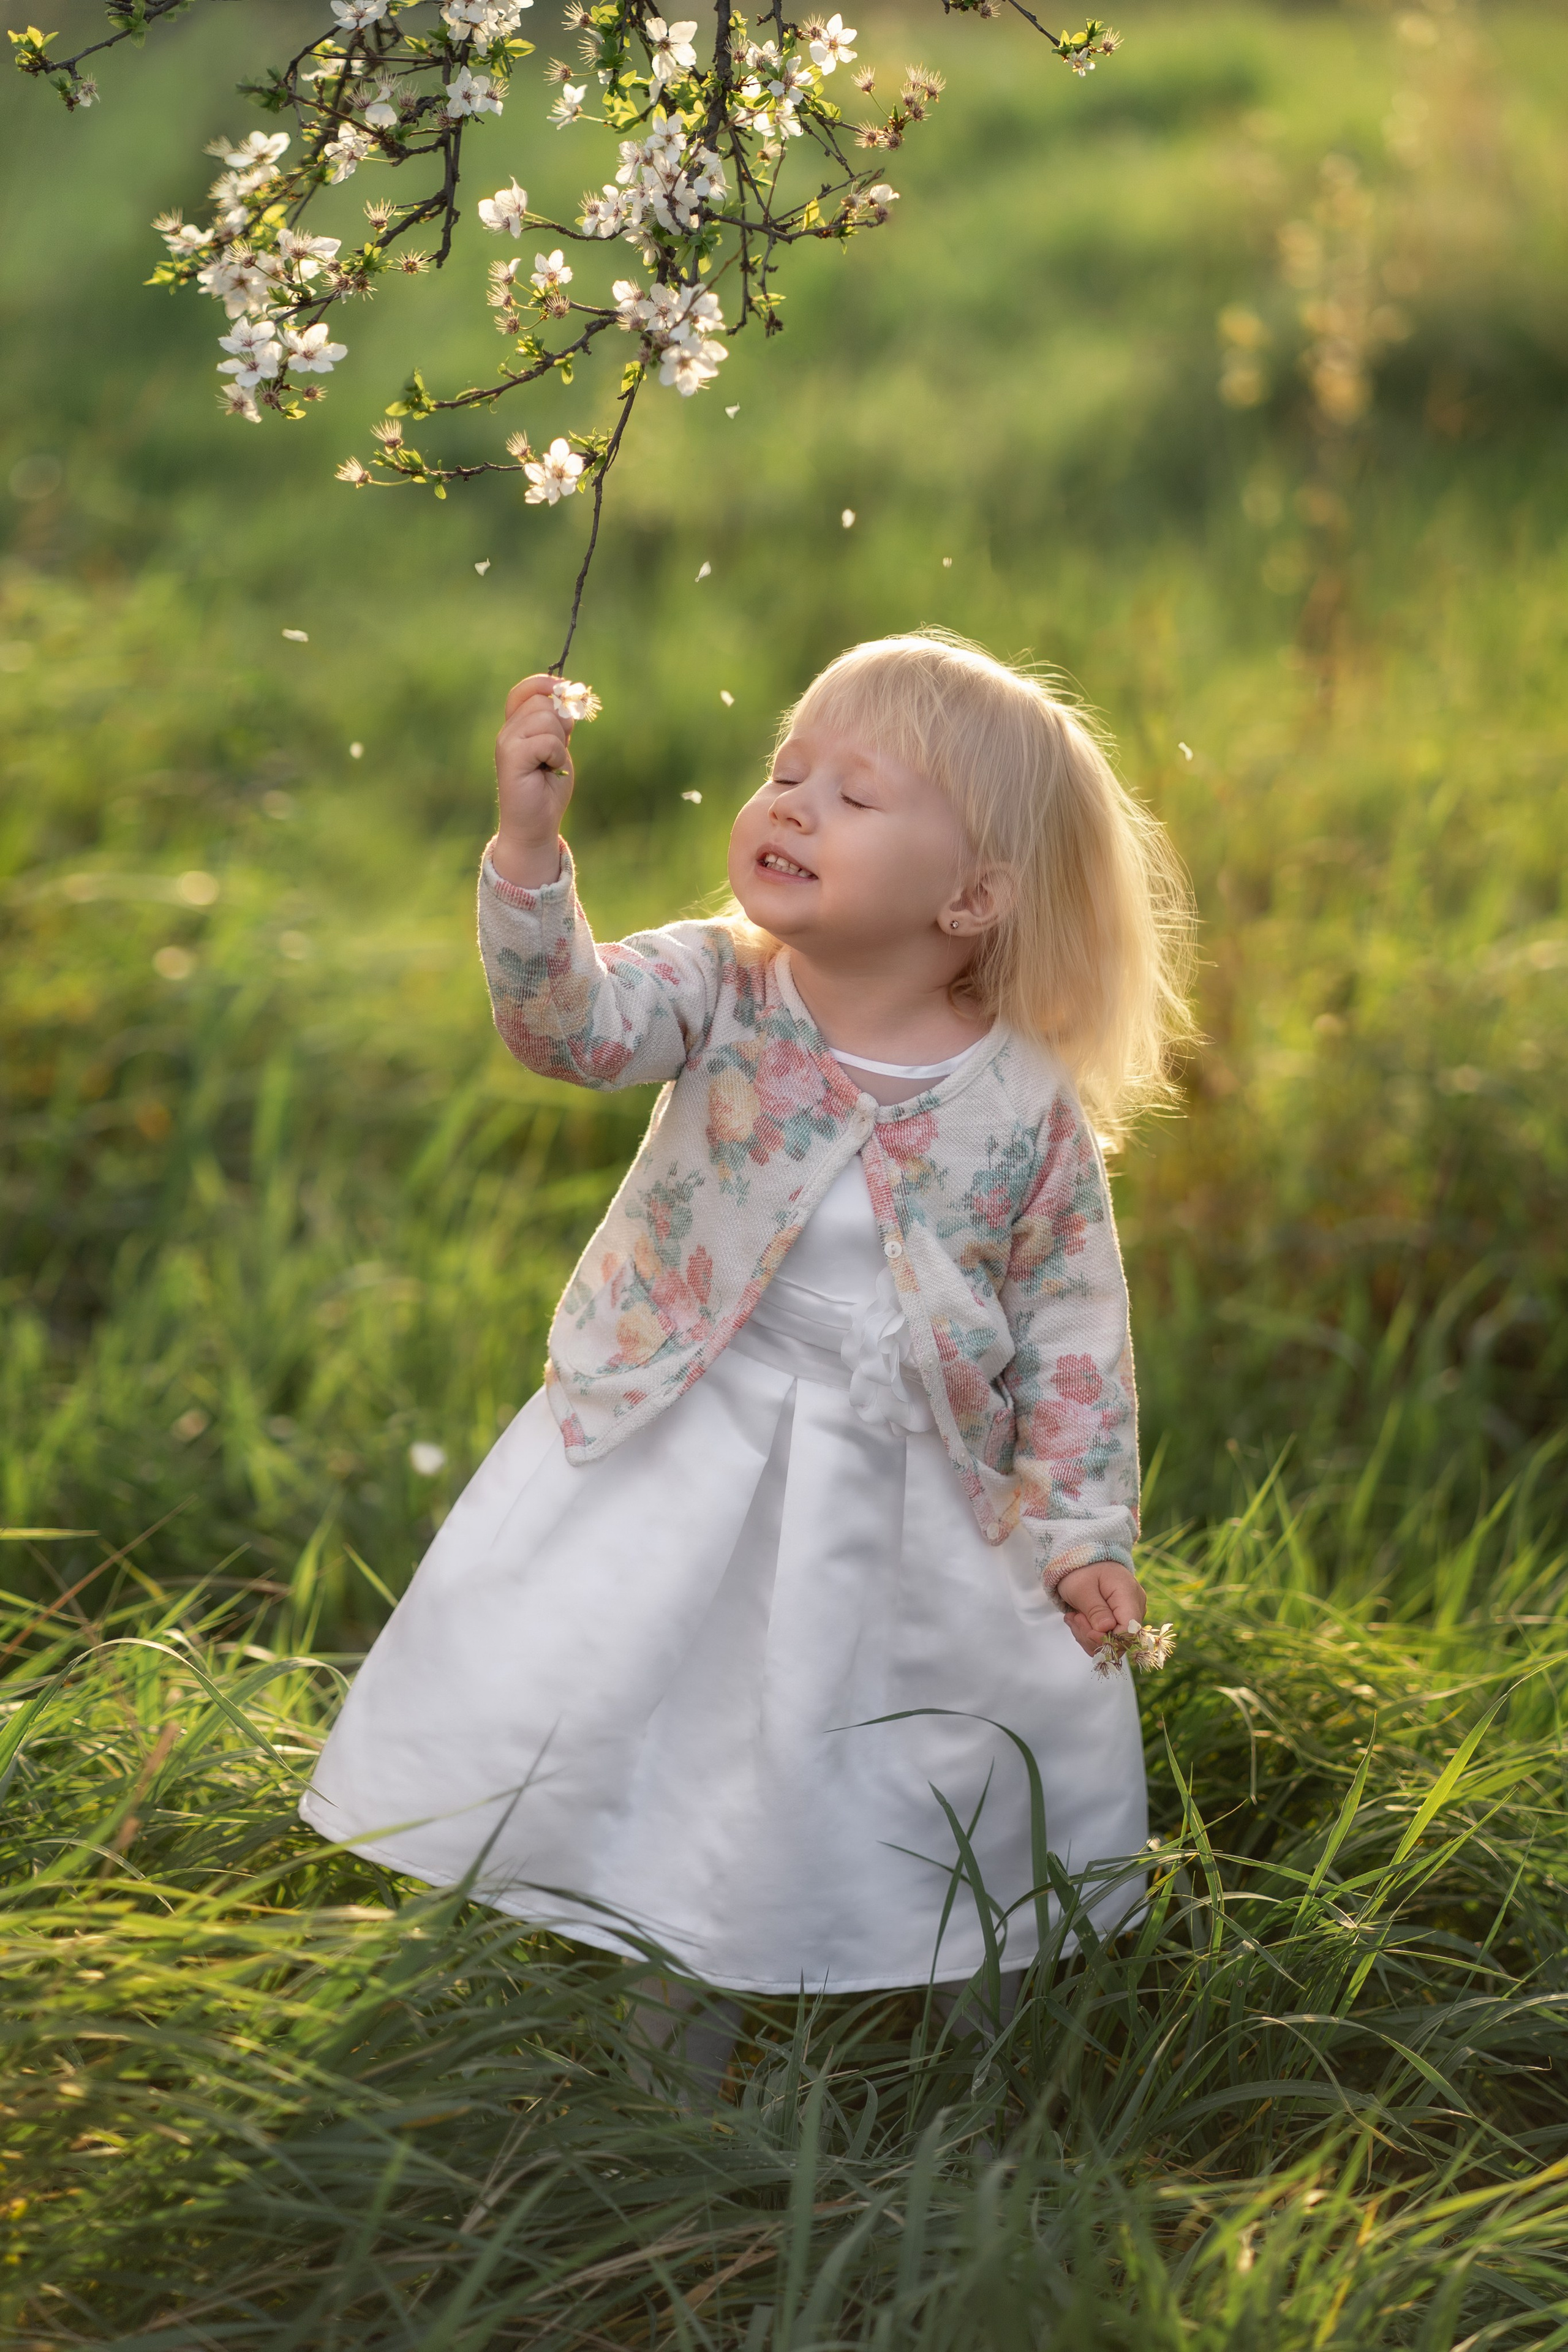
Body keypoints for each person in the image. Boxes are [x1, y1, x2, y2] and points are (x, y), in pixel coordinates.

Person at [300, 627, 1193, 2090]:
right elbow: (565, 1028)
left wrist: (1085, 1532)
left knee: (926, 1738)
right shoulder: (719, 984)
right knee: (694, 1724)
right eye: (785, 771)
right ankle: (672, 2017)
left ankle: (964, 2025)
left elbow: (1073, 1327)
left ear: (970, 897)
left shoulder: (1016, 1098)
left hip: (917, 1481)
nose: (788, 804)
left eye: (854, 795)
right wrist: (530, 853)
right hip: (693, 1445)